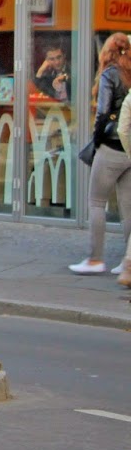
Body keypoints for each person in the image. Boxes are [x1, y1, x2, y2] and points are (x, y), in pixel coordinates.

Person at [70, 32, 131, 277]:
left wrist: (96, 141)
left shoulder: (110, 74)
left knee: (96, 202)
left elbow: (103, 112)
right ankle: (127, 262)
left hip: (111, 146)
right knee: (128, 208)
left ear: (106, 52)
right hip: (129, 148)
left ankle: (95, 259)